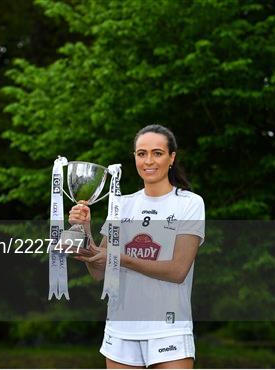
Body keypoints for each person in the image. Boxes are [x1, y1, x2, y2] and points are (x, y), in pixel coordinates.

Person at [69, 124, 205, 369]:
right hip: (121, 330)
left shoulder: (190, 203)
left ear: (171, 158)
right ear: (134, 158)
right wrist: (84, 229)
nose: (148, 161)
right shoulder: (121, 205)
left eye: (157, 153)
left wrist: (119, 258)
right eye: (142, 154)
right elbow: (99, 273)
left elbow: (177, 271)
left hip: (169, 329)